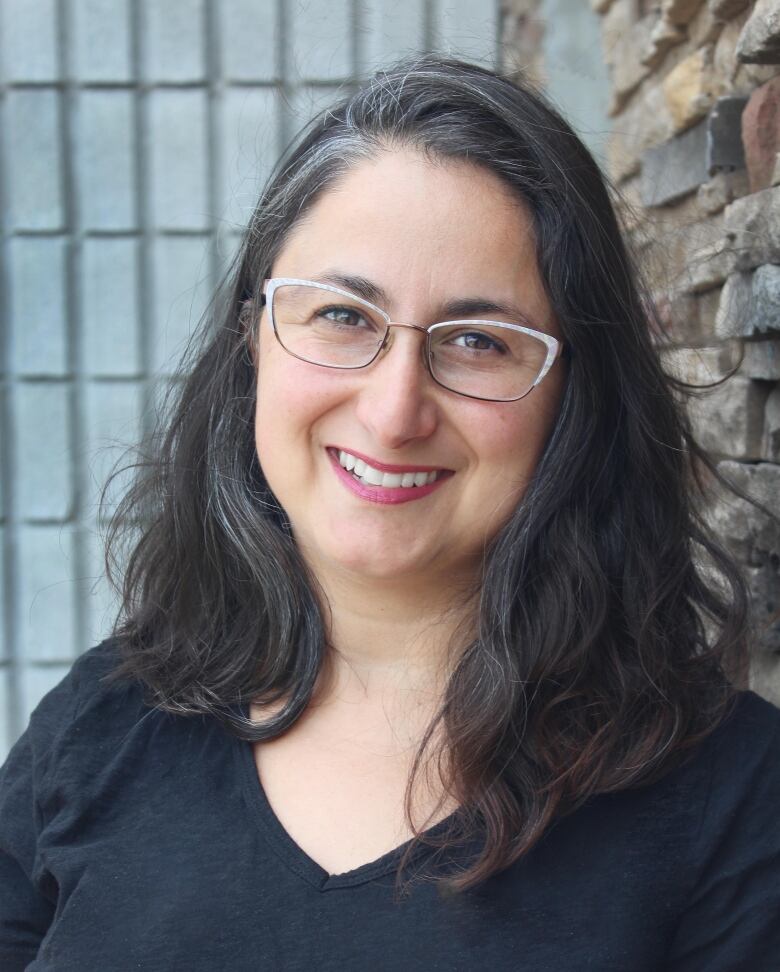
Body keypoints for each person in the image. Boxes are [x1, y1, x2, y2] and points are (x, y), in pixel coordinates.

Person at [1, 53, 779, 972]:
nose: (393, 409)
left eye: (480, 342)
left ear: (578, 393)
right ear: (253, 338)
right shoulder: (97, 726)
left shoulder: (731, 799)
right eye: (342, 317)